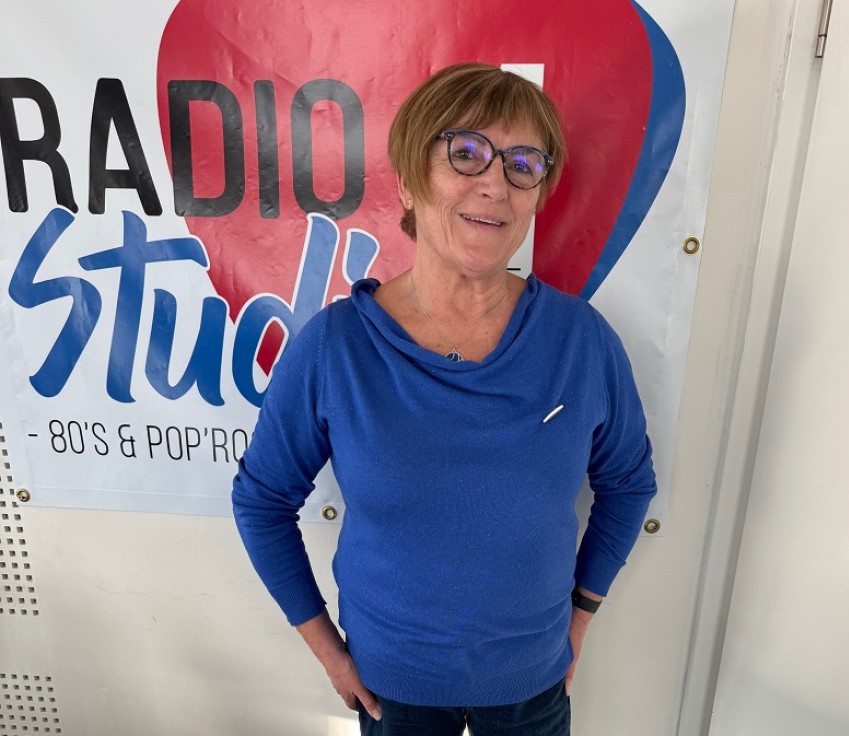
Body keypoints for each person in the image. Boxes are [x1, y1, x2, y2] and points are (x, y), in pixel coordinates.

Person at [232, 62, 657, 736]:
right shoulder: (337, 347)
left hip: (533, 688)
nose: (495, 183)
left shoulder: (582, 341)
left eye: (523, 163)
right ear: (408, 178)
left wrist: (581, 616)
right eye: (465, 153)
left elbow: (627, 484)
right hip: (390, 689)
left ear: (537, 194)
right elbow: (262, 502)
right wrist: (329, 656)